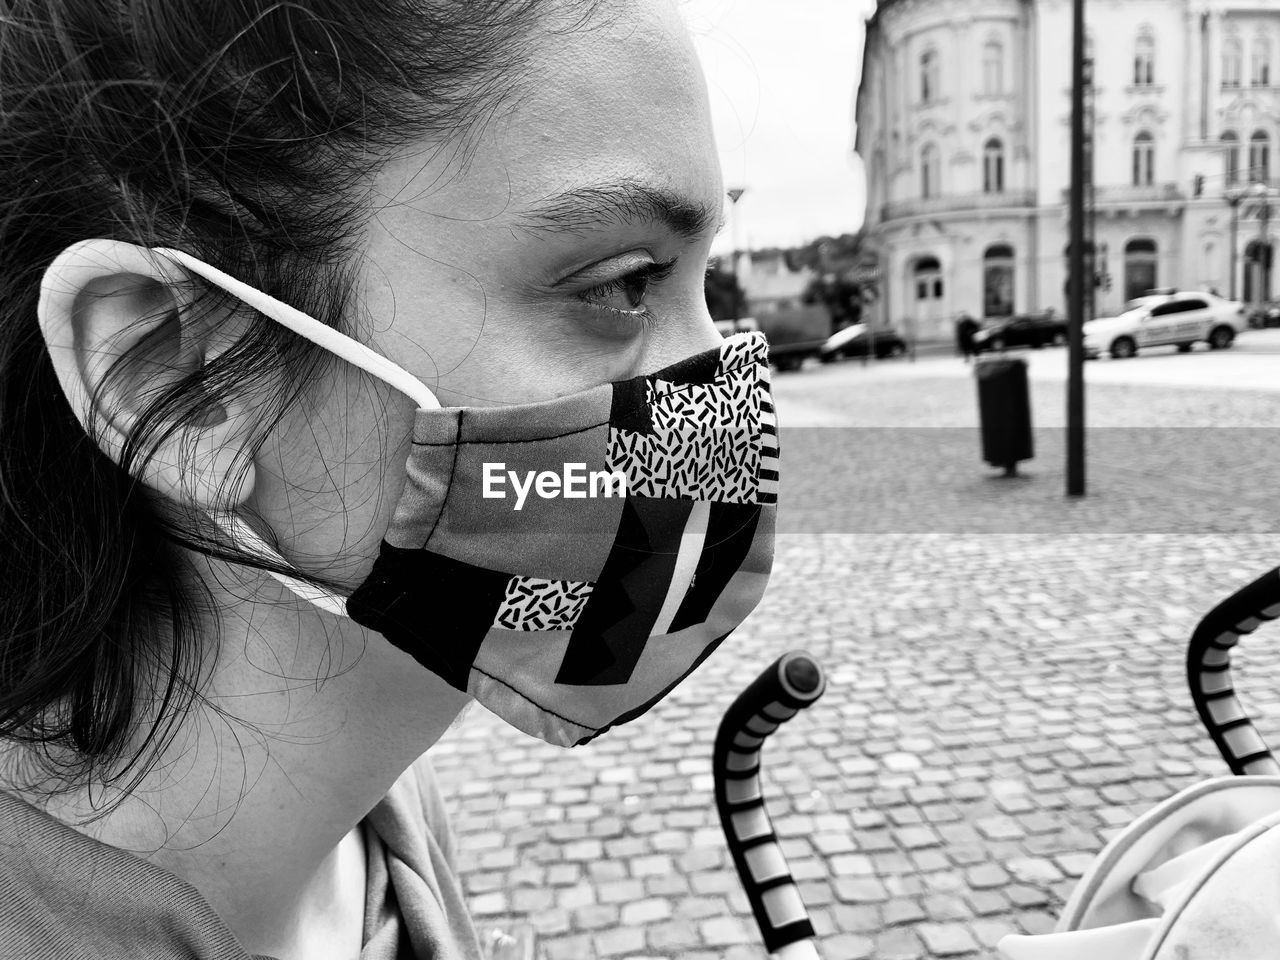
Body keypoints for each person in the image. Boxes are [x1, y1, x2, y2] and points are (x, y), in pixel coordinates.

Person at [0, 2, 779, 959]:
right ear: (175, 380)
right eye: (621, 282)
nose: (717, 390)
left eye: (708, 282)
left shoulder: (379, 816)